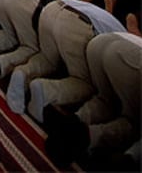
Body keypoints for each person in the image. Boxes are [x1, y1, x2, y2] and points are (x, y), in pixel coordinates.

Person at [43, 31, 141, 170]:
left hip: (99, 44)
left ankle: (77, 125)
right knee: (134, 122)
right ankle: (129, 159)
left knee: (106, 101)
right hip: (128, 53)